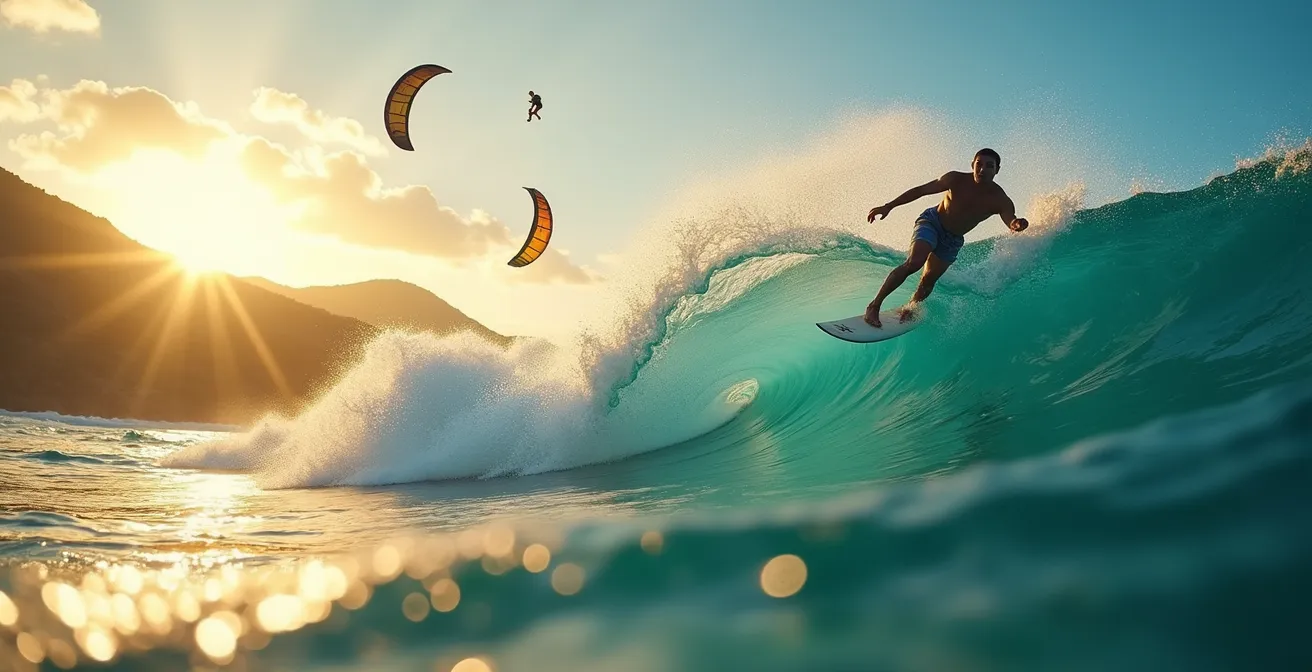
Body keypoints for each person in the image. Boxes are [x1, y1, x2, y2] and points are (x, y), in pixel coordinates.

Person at [863, 148, 1028, 327]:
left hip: (953, 240)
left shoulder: (1000, 200)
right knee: (915, 262)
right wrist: (889, 206)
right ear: (972, 164)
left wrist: (1017, 224)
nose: (982, 170)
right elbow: (921, 190)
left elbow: (1010, 220)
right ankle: (874, 305)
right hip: (932, 223)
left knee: (928, 281)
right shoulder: (955, 179)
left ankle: (909, 308)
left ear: (997, 170)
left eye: (989, 166)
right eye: (979, 164)